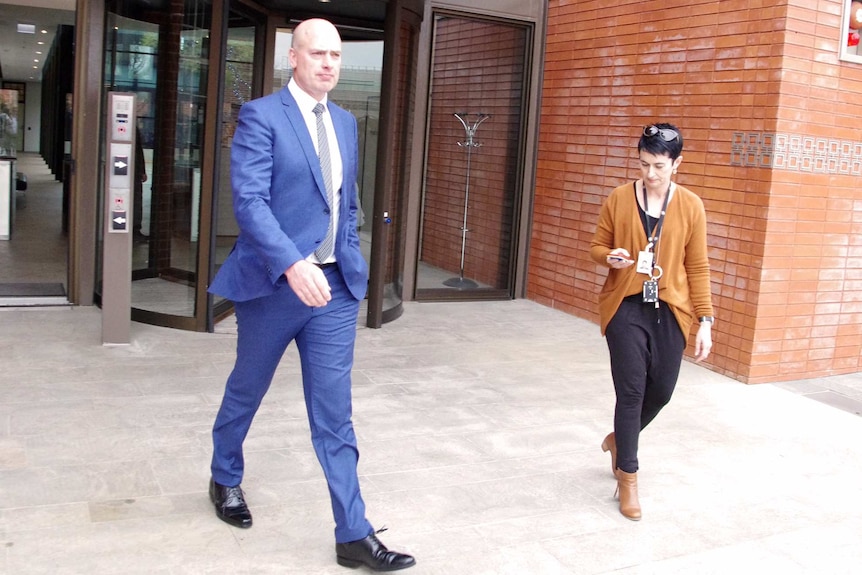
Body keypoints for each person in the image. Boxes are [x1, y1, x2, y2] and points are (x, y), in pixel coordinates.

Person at [207, 18, 415, 571]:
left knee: (334, 414)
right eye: (317, 54)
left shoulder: (346, 123)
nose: (328, 64)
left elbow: (343, 203)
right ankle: (224, 475)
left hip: (333, 291)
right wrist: (292, 263)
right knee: (246, 390)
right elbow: (249, 202)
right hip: (275, 288)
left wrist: (347, 254)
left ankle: (353, 533)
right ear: (292, 59)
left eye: (337, 56)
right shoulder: (261, 116)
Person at [589, 123, 714, 521]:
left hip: (670, 307)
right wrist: (608, 257)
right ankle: (628, 477)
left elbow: (697, 265)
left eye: (659, 165)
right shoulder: (619, 198)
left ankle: (618, 440)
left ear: (677, 163)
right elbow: (597, 245)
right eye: (643, 164)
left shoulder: (691, 205)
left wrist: (705, 318)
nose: (650, 174)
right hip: (625, 305)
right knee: (631, 393)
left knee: (661, 391)